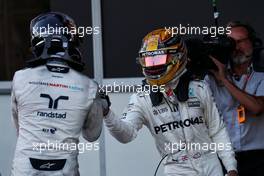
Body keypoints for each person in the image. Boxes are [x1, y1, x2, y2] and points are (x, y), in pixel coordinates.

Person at [103, 28, 238, 176]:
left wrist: (231, 167)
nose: (153, 65)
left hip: (211, 166)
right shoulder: (141, 98)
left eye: (158, 59)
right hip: (176, 169)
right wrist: (107, 113)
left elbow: (217, 130)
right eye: (149, 60)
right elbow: (126, 134)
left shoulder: (200, 88)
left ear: (177, 57)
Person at [11, 12, 104, 176]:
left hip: (24, 170)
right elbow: (92, 135)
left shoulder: (19, 78)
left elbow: (20, 129)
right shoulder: (89, 86)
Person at [206, 21, 264, 176]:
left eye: (240, 41)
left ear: (253, 42)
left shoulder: (261, 74)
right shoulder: (210, 78)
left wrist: (224, 80)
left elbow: (257, 108)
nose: (236, 48)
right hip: (224, 157)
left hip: (259, 158)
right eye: (231, 43)